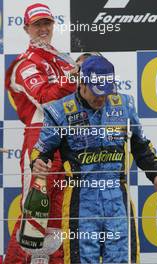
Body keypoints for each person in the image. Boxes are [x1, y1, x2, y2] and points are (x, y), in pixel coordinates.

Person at [30, 55, 157, 264]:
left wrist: (156, 174)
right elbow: (41, 151)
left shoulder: (124, 104)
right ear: (82, 83)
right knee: (82, 259)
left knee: (123, 258)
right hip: (81, 198)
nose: (101, 98)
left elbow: (141, 145)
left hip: (117, 197)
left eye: (106, 92)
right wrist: (39, 162)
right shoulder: (59, 111)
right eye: (96, 93)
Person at [4, 3, 77, 264]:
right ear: (26, 29)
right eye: (37, 24)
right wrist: (74, 79)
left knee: (57, 217)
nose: (43, 29)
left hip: (67, 141)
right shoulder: (25, 64)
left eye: (47, 23)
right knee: (34, 215)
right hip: (40, 140)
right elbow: (45, 98)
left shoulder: (62, 58)